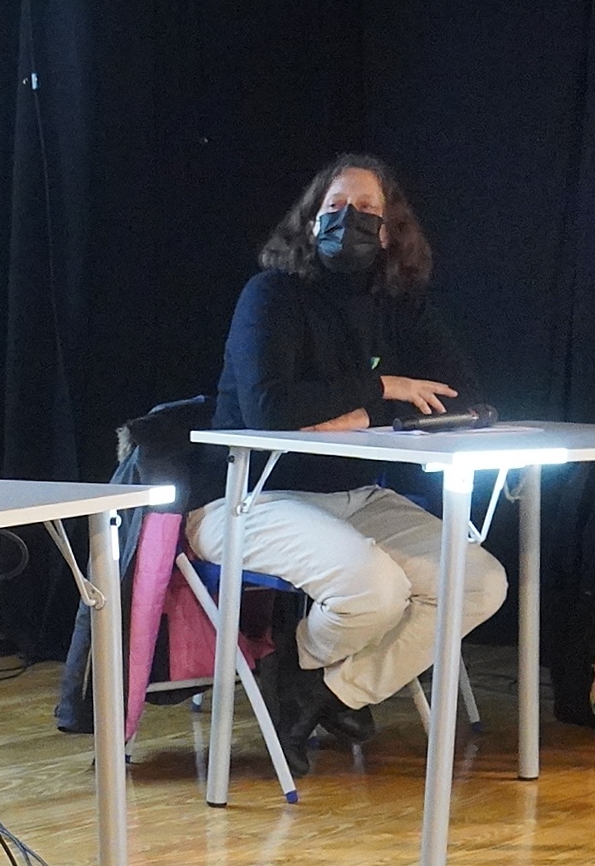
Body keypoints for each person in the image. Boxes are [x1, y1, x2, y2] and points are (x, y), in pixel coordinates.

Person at [193, 155, 507, 769]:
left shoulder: (400, 305)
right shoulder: (271, 296)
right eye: (334, 207)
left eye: (366, 210)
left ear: (389, 232)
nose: (349, 220)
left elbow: (465, 400)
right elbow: (270, 411)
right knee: (375, 590)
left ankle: (316, 688)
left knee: (480, 582)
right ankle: (303, 682)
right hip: (249, 494)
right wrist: (383, 390)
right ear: (310, 221)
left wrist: (350, 413)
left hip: (357, 495)